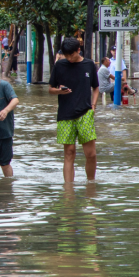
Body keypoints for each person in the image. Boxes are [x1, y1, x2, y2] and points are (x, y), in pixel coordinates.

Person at [48, 37, 100, 182]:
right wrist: (59, 91)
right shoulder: (59, 65)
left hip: (85, 113)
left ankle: (90, 184)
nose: (69, 58)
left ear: (78, 50)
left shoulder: (89, 65)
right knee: (69, 153)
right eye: (66, 55)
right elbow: (50, 89)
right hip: (65, 114)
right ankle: (68, 190)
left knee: (91, 154)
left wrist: (93, 106)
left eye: (72, 54)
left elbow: (96, 88)